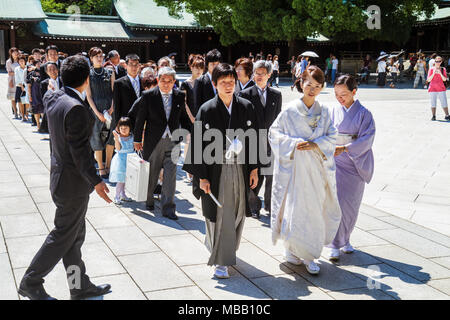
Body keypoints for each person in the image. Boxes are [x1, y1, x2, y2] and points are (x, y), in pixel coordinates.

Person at [19, 55, 112, 301]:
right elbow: (81, 153)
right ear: (87, 79)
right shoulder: (76, 108)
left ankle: (78, 285)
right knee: (63, 235)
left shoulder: (54, 97)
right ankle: (31, 281)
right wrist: (98, 181)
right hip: (72, 184)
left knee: (73, 236)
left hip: (61, 177)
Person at [183, 63, 259, 279]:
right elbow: (197, 144)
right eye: (223, 82)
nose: (228, 86)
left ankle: (224, 249)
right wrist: (202, 177)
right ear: (215, 84)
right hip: (214, 169)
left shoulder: (245, 106)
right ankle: (221, 260)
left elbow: (254, 138)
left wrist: (254, 168)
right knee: (219, 212)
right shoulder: (206, 109)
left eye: (231, 82)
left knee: (237, 210)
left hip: (240, 166)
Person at [269, 65, 341, 275]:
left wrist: (316, 144)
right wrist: (293, 143)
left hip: (317, 171)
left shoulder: (325, 112)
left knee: (314, 212)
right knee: (295, 210)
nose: (312, 89)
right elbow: (274, 134)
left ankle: (310, 255)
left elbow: (332, 136)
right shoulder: (290, 110)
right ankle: (291, 249)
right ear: (301, 83)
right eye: (309, 84)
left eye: (317, 86)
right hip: (296, 170)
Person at [133, 67, 192, 220]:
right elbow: (140, 119)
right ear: (158, 80)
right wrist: (137, 139)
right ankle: (149, 199)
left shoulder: (179, 96)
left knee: (171, 175)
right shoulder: (148, 96)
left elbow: (183, 117)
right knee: (152, 174)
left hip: (173, 140)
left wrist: (188, 132)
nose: (166, 84)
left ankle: (168, 208)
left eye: (170, 81)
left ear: (174, 82)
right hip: (154, 140)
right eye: (163, 80)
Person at [328, 75, 375, 261]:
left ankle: (345, 239)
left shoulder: (365, 114)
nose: (340, 98)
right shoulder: (333, 111)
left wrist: (346, 148)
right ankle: (334, 243)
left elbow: (367, 139)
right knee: (336, 203)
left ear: (354, 92)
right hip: (336, 163)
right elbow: (326, 133)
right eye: (336, 94)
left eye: (344, 94)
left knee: (351, 205)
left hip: (355, 163)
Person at [239, 60, 282, 219]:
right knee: (254, 177)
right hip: (253, 143)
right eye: (256, 73)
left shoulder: (276, 95)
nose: (258, 76)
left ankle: (270, 207)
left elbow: (278, 119)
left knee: (271, 177)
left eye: (262, 74)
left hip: (271, 143)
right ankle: (253, 205)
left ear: (269, 75)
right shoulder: (245, 94)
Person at [85, 47, 116, 179]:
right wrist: (97, 113)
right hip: (95, 109)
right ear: (91, 58)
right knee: (96, 137)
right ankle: (101, 167)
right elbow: (89, 96)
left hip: (110, 108)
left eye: (101, 56)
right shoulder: (88, 74)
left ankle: (108, 165)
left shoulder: (110, 72)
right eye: (96, 56)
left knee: (111, 137)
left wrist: (112, 108)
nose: (99, 58)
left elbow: (115, 92)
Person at [109, 117, 135, 205]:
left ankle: (123, 194)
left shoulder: (132, 136)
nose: (123, 130)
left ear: (130, 128)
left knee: (125, 180)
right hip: (121, 161)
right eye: (121, 128)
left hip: (130, 160)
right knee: (120, 180)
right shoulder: (119, 137)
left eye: (126, 128)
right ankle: (116, 196)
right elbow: (118, 148)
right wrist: (116, 139)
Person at [113, 54, 143, 122]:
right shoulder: (119, 83)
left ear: (139, 66)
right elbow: (117, 107)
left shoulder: (144, 81)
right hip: (126, 122)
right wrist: (118, 125)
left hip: (142, 121)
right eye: (131, 64)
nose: (134, 67)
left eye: (136, 64)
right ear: (126, 66)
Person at [193, 49, 222, 116]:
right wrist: (198, 126)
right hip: (206, 120)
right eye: (212, 64)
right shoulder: (200, 81)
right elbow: (197, 107)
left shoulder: (223, 80)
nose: (215, 67)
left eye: (217, 64)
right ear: (207, 65)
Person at [427, 56, 450, 121]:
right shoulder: (431, 69)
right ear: (435, 62)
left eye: (439, 61)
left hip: (441, 88)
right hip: (432, 88)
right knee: (433, 102)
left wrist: (440, 73)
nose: (437, 62)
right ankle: (433, 116)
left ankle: (447, 115)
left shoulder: (443, 69)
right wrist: (434, 73)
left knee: (444, 102)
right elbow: (428, 80)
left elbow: (445, 79)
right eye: (436, 61)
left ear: (441, 62)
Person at [26, 59, 44, 130]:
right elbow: (29, 85)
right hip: (34, 93)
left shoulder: (43, 73)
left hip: (42, 93)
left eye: (40, 63)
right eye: (37, 64)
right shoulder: (31, 74)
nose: (39, 65)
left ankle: (43, 125)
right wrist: (30, 95)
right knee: (36, 109)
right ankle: (38, 125)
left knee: (43, 109)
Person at [6, 47, 20, 119]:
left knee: (20, 96)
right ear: (11, 53)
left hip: (20, 80)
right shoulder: (9, 61)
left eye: (16, 52)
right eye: (13, 52)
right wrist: (18, 72)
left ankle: (22, 112)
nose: (15, 54)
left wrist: (16, 73)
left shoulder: (20, 60)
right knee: (13, 97)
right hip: (12, 80)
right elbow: (9, 73)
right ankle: (15, 112)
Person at [14, 55, 28, 122]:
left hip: (27, 86)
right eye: (20, 61)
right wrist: (22, 86)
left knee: (27, 102)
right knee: (20, 102)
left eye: (22, 61)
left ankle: (27, 115)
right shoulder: (16, 69)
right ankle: (22, 116)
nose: (21, 62)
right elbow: (17, 79)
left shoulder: (28, 67)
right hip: (20, 87)